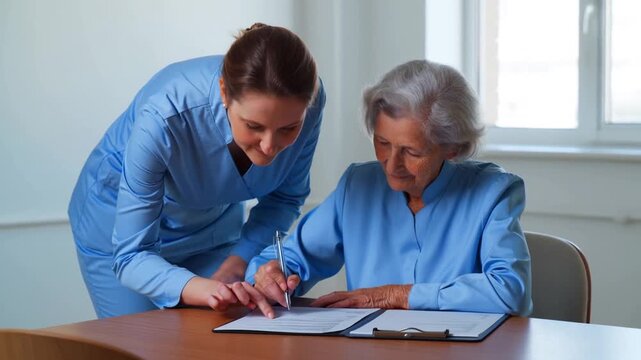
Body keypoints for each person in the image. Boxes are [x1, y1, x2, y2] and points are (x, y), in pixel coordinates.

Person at [68, 23, 325, 319]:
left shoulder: (310, 103)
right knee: (141, 342)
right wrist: (204, 289)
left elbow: (285, 198)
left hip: (213, 226)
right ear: (224, 92)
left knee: (228, 335)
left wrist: (240, 258)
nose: (269, 146)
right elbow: (131, 255)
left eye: (288, 128)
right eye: (254, 126)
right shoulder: (164, 114)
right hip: (119, 232)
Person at [247, 59, 532, 316]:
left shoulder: (493, 192)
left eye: (412, 152)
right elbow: (286, 258)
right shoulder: (357, 186)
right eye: (382, 143)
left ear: (452, 148)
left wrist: (396, 296)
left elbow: (509, 290)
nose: (391, 164)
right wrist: (272, 275)